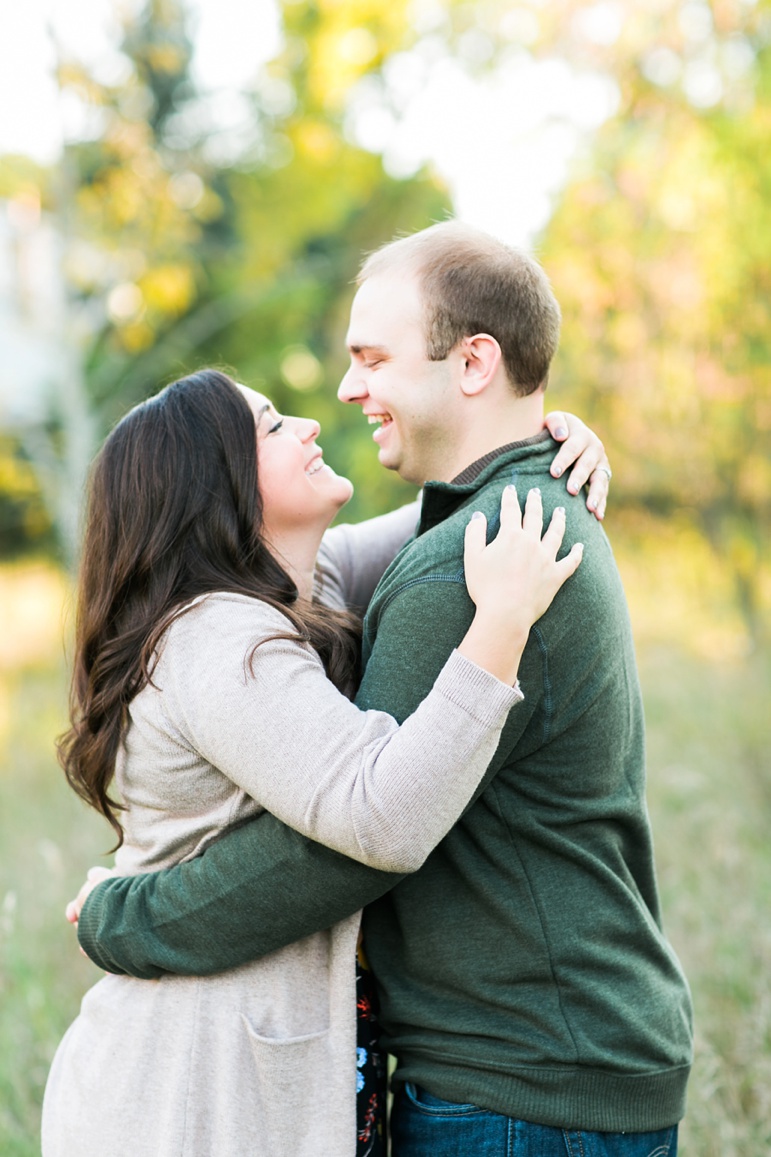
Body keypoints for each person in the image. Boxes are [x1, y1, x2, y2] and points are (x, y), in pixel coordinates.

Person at [69, 223, 693, 1156]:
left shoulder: (453, 570)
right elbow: (366, 821)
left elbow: (363, 837)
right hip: (294, 1067)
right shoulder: (243, 629)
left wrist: (131, 914)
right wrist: (532, 439)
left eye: (371, 359)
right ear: (224, 493)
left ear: (473, 361)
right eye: (275, 425)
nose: (335, 399)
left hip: (520, 1081)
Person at [42, 366, 594, 1157]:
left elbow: (460, 511)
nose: (306, 425)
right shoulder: (217, 639)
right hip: (189, 1091)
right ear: (218, 488)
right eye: (269, 426)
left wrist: (545, 445)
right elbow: (386, 817)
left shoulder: (297, 586)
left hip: (234, 1067)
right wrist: (499, 629)